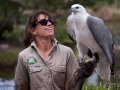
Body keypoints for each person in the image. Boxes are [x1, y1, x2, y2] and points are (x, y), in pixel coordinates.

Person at [14, 10, 98, 90]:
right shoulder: (24, 56)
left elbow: (70, 88)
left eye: (51, 21)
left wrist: (81, 75)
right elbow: (23, 88)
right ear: (33, 30)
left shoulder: (67, 52)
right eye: (43, 22)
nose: (49, 23)